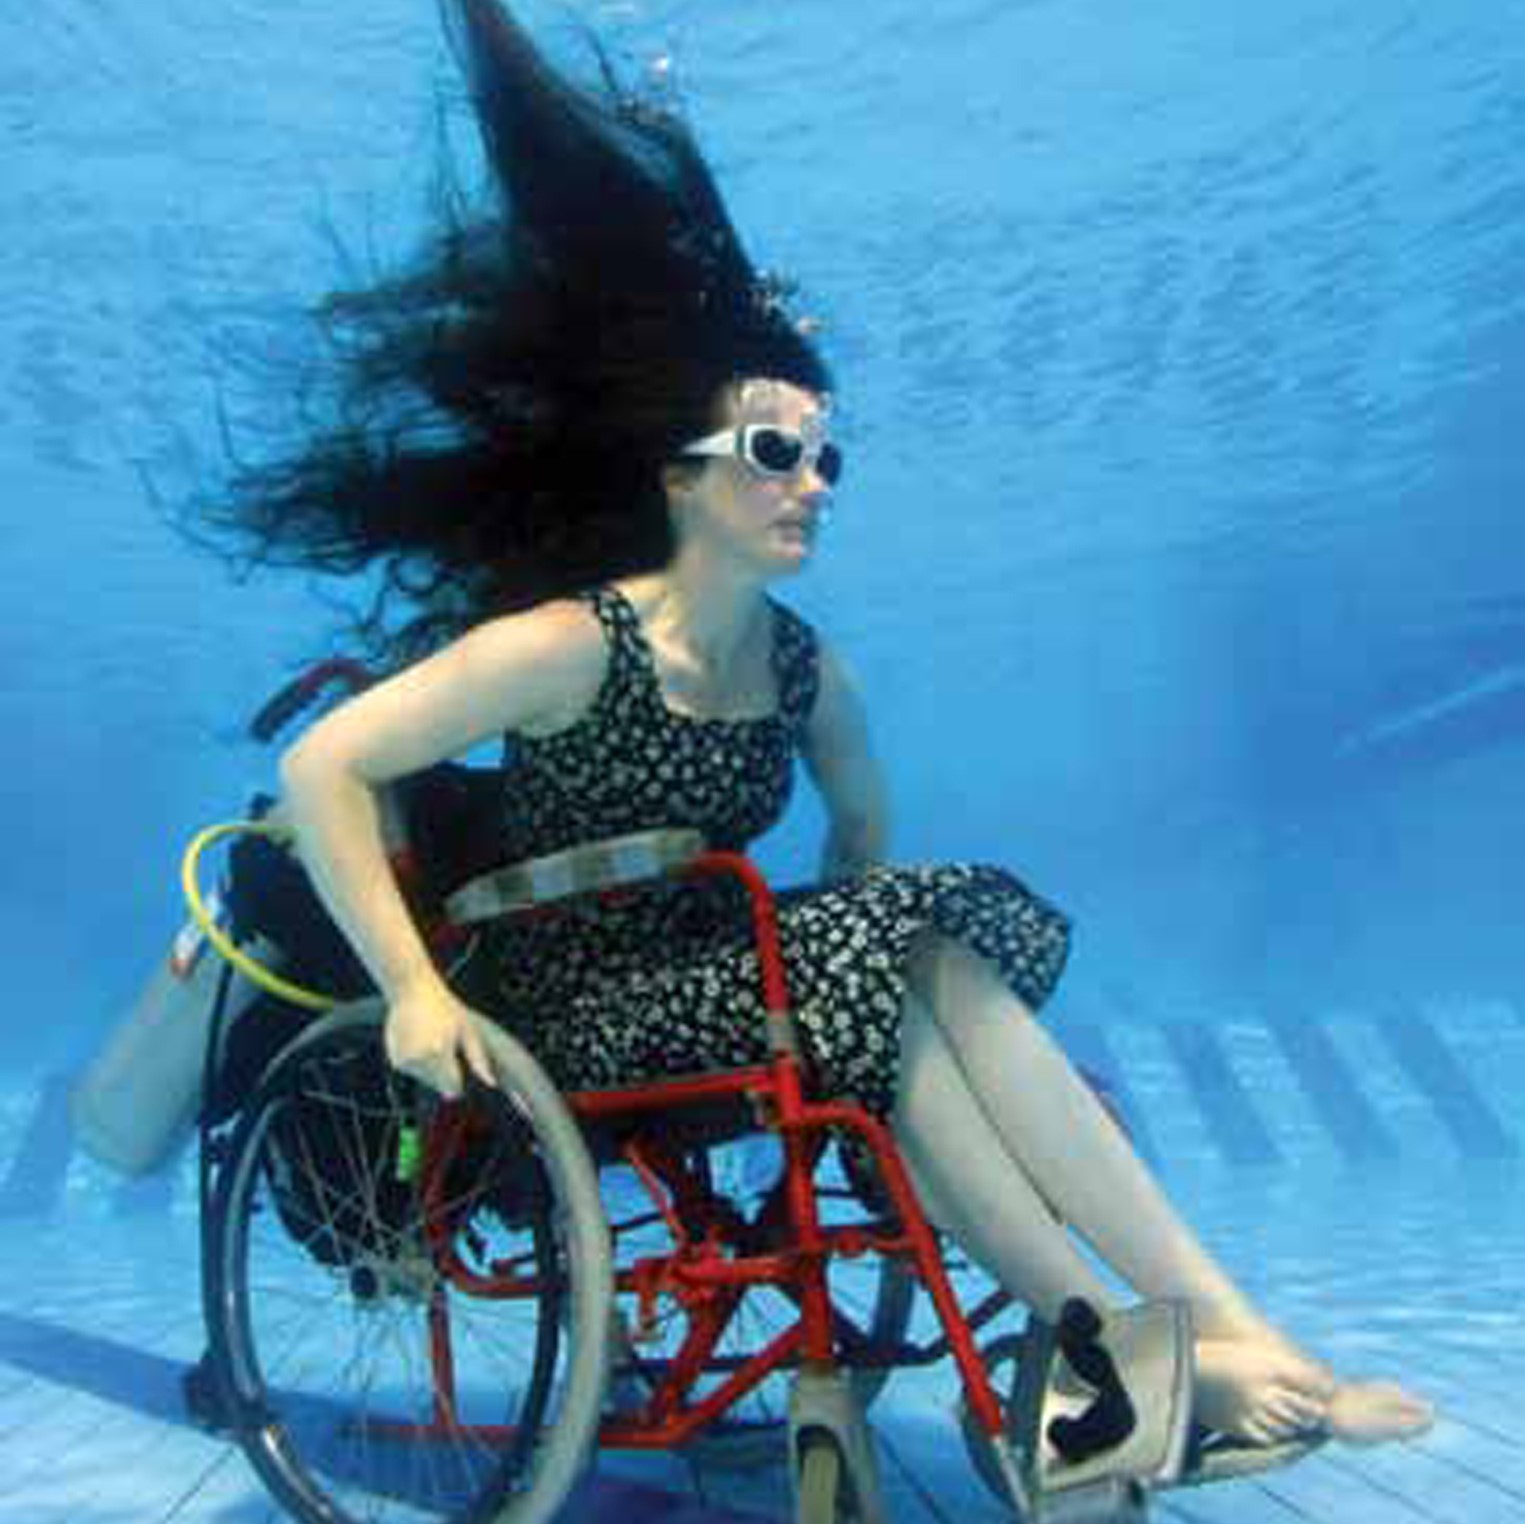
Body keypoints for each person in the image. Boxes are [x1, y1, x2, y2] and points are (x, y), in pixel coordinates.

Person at [196, 0, 1435, 1458]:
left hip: (715, 978)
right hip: (559, 1004)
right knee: (891, 967)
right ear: (678, 477)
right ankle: (1156, 1344)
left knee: (912, 975)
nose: (812, 482)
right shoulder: (562, 646)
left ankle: (1174, 1348)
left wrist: (828, 937)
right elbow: (322, 763)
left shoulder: (800, 671)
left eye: (824, 454)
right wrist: (412, 992)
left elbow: (861, 831)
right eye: (773, 453)